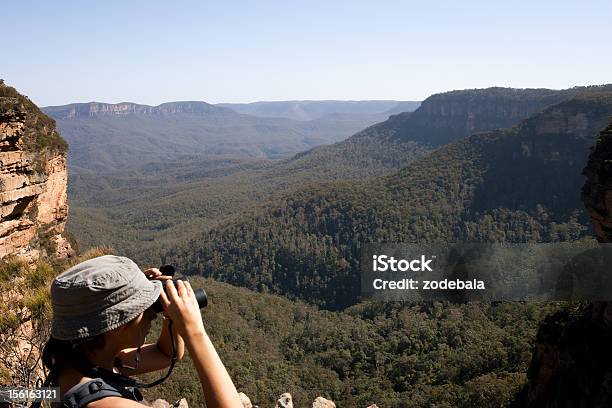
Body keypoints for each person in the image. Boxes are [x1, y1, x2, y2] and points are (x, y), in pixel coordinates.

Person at [41, 255, 243, 408]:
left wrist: (169, 317)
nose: (150, 314)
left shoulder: (84, 360)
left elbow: (167, 354)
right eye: (142, 308)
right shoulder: (107, 404)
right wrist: (195, 331)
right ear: (117, 326)